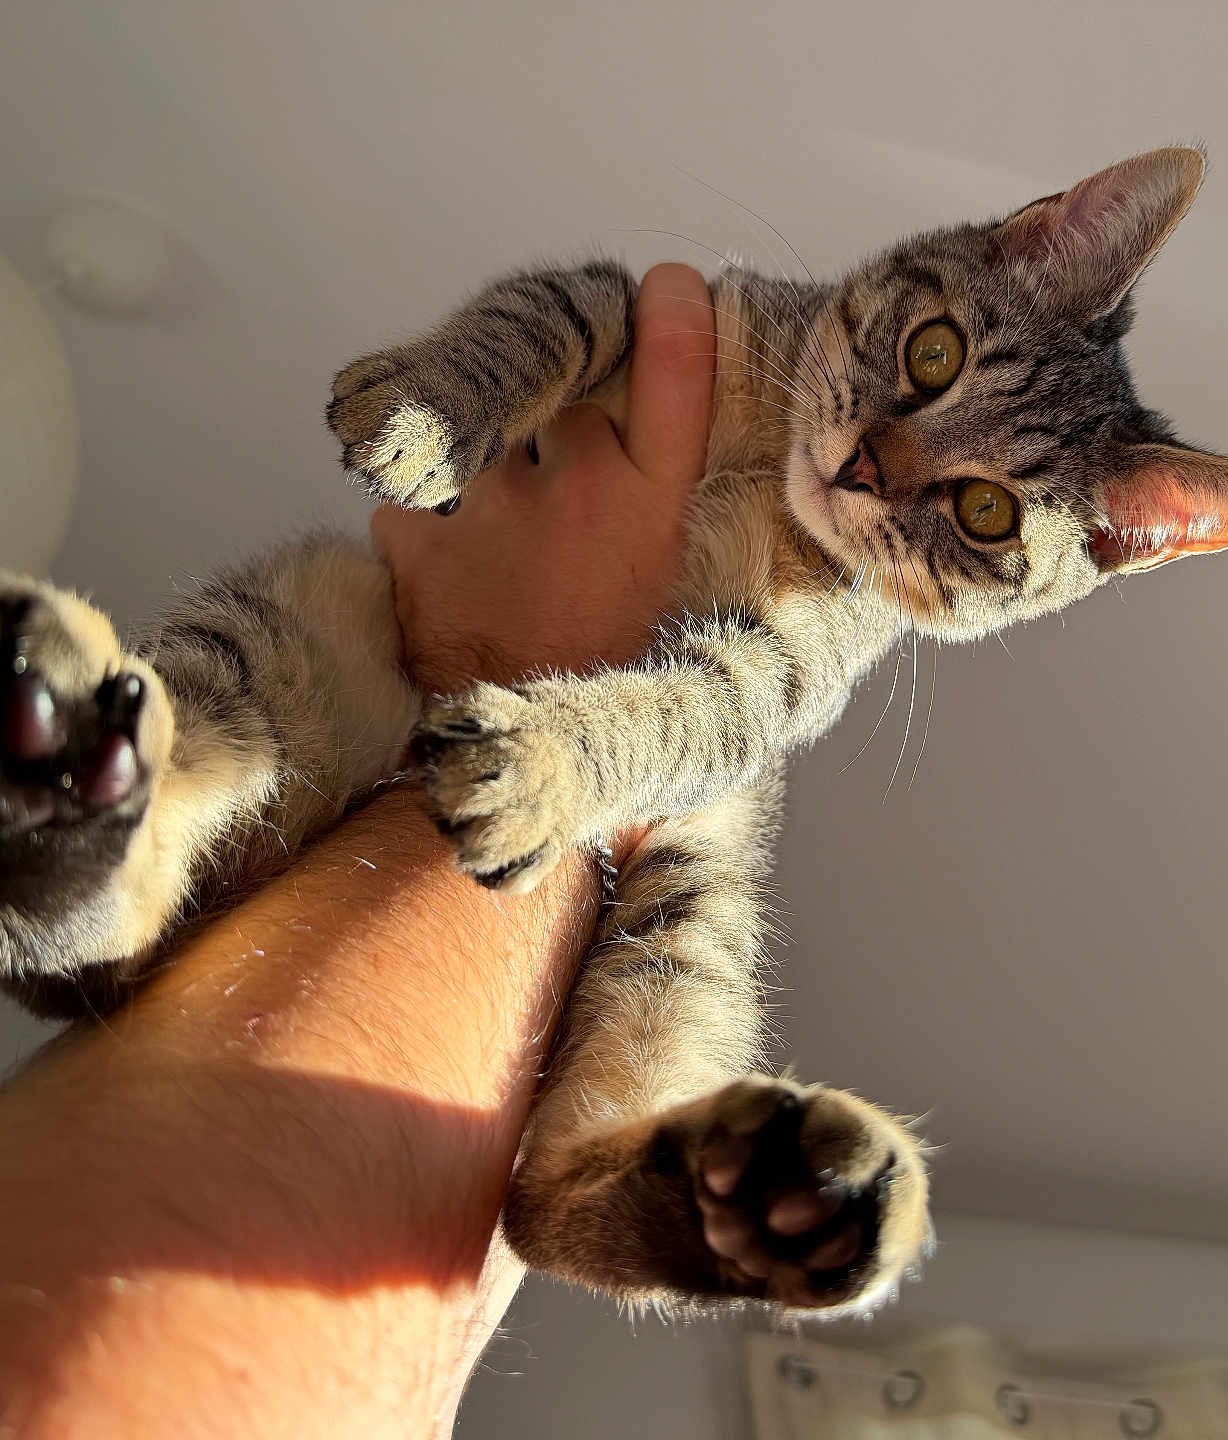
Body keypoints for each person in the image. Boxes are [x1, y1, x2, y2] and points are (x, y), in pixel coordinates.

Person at [0, 264, 716, 1437]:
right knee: (300, 624)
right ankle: (122, 834)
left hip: (553, 738)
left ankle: (620, 1165)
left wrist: (530, 661)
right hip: (414, 702)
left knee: (702, 852)